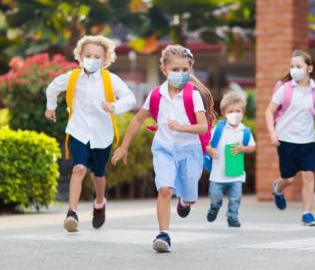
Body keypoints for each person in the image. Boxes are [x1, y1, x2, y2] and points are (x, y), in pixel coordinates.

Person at [111, 44, 216, 252]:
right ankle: (163, 235)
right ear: (164, 70)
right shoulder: (156, 94)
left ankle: (185, 202)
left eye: (185, 70)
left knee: (189, 195)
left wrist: (182, 127)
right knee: (165, 189)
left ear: (190, 69)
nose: (180, 74)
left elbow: (203, 126)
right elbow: (137, 120)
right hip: (164, 148)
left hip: (190, 150)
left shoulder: (193, 95)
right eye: (175, 70)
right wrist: (124, 147)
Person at [45, 35, 136, 232]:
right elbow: (53, 88)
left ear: (105, 59)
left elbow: (130, 98)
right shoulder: (72, 77)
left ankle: (100, 202)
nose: (92, 59)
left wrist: (114, 106)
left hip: (102, 134)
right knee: (78, 168)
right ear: (80, 56)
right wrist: (50, 107)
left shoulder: (110, 80)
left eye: (97, 56)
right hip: (78, 131)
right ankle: (72, 213)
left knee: (98, 173)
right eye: (88, 55)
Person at [265, 49, 315, 226]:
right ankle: (278, 189)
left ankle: (307, 213)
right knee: (288, 178)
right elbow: (269, 111)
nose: (294, 69)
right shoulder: (285, 89)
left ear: (309, 69)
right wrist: (272, 133)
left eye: (299, 66)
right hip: (285, 140)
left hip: (307, 141)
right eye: (292, 66)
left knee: (308, 175)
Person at [206, 92, 256, 227]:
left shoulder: (245, 131)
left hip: (236, 173)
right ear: (224, 113)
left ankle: (232, 217)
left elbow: (252, 147)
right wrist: (210, 150)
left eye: (238, 111)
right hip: (218, 174)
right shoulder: (218, 130)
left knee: (236, 198)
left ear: (243, 112)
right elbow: (206, 143)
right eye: (231, 111)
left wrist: (242, 149)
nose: (235, 114)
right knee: (215, 196)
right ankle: (214, 207)